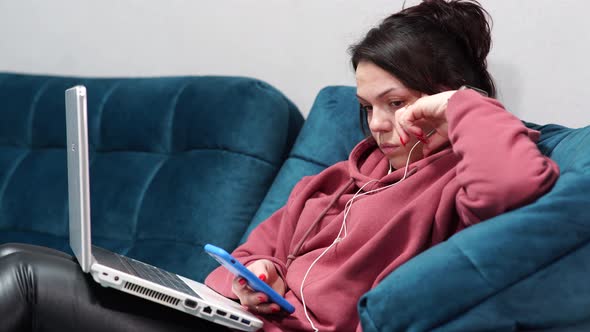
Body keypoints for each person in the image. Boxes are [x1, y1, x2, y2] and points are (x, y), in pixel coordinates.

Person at [0, 0, 559, 331]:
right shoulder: (338, 178)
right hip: (234, 323)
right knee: (28, 264)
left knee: (23, 278)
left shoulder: (457, 179)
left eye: (399, 102)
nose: (379, 126)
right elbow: (238, 261)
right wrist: (253, 283)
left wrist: (466, 105)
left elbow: (510, 189)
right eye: (367, 108)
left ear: (445, 97)